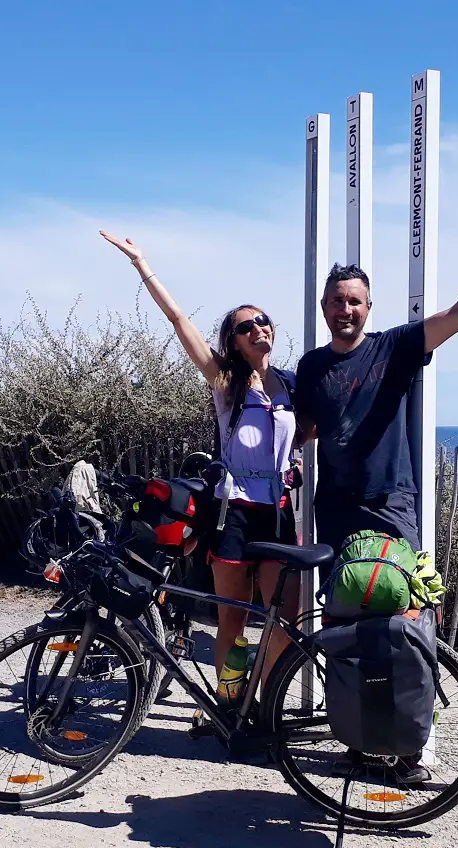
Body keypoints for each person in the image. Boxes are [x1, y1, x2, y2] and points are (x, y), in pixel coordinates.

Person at [99, 230, 300, 682]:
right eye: (245, 326)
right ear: (233, 342)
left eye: (262, 320)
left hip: (278, 513)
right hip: (234, 515)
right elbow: (177, 320)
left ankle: (263, 703)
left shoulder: (289, 383)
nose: (258, 328)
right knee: (231, 620)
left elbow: (303, 434)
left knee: (282, 620)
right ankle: (229, 704)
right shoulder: (225, 381)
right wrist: (141, 264)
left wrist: (297, 461)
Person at [295, 223, 458, 569]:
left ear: (368, 306)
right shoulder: (311, 365)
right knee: (341, 605)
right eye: (337, 301)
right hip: (335, 506)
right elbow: (305, 428)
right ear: (323, 306)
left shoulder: (393, 346)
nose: (345, 309)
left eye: (353, 301)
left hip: (390, 502)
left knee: (402, 599)